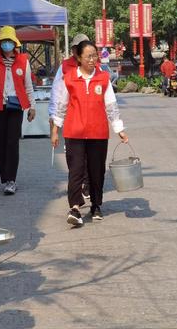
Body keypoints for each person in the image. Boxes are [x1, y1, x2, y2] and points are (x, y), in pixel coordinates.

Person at [51, 40, 128, 226]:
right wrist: (55, 130)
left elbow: (111, 105)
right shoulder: (69, 78)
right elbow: (61, 106)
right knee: (75, 171)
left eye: (95, 55)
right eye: (89, 56)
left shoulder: (103, 78)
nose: (93, 59)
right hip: (74, 132)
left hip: (98, 133)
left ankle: (95, 205)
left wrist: (119, 129)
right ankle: (75, 208)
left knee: (96, 171)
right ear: (79, 57)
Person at [0, 26, 36, 195]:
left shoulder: (23, 61)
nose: (7, 44)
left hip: (16, 107)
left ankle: (11, 180)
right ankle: (5, 178)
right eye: (4, 41)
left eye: (9, 41)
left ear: (15, 43)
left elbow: (28, 86)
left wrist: (32, 107)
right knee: (2, 143)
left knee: (12, 142)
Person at [48, 33, 90, 198]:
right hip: (71, 117)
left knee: (88, 152)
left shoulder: (95, 65)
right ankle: (76, 183)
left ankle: (87, 183)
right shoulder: (64, 67)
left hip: (90, 116)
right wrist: (53, 115)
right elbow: (57, 92)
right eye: (76, 48)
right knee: (73, 153)